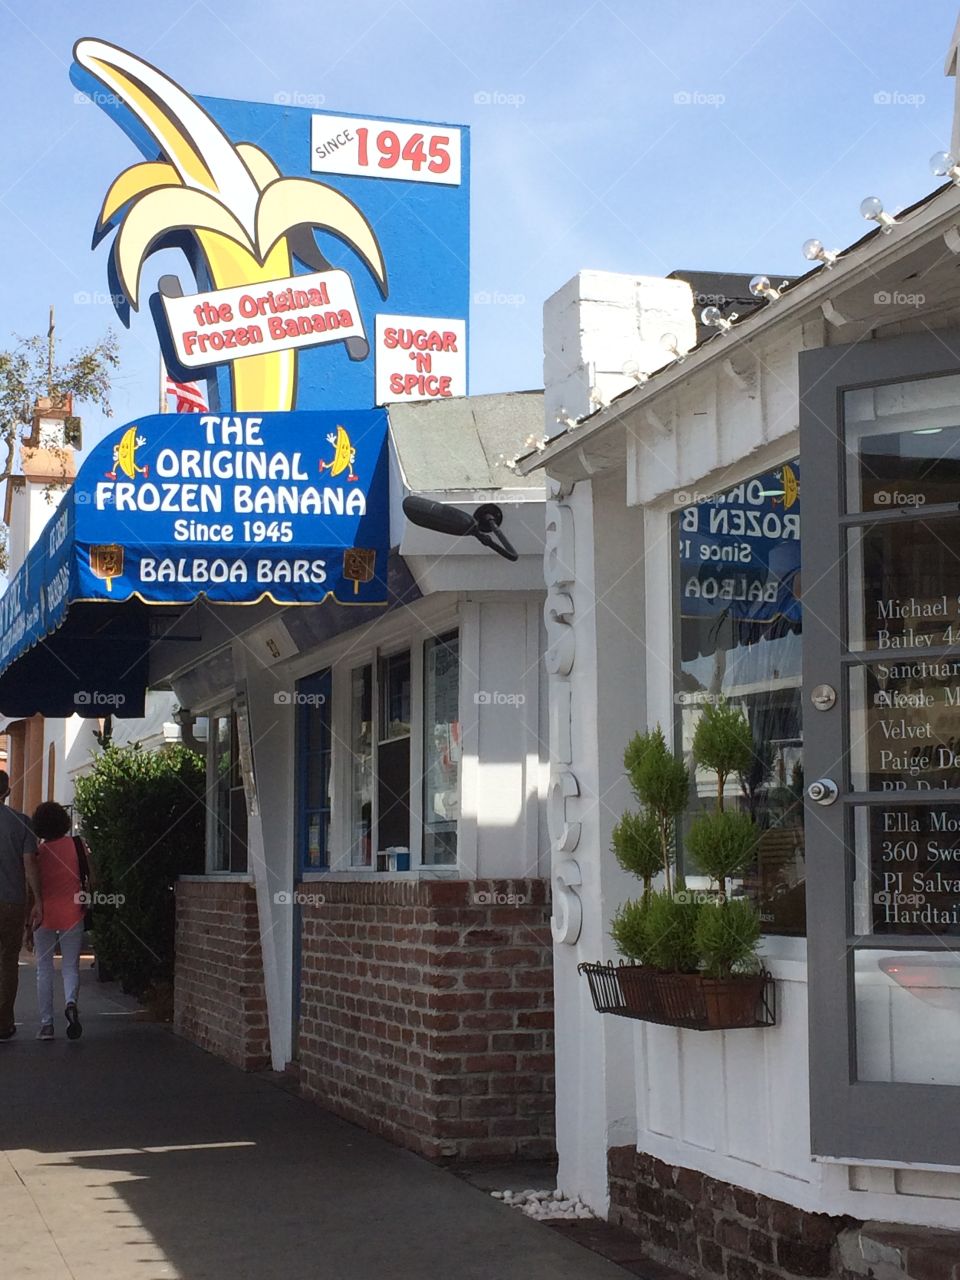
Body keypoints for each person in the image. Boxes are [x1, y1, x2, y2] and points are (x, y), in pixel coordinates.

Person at [29, 802, 90, 1041]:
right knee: (70, 967)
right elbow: (92, 875)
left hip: (42, 913)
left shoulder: (37, 852)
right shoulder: (77, 845)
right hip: (73, 912)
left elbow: (31, 883)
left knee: (43, 969)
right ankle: (71, 1002)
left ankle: (46, 1024)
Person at [0, 771, 40, 1039]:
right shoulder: (22, 822)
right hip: (12, 901)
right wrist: (39, 900)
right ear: (7, 791)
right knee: (7, 962)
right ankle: (3, 1023)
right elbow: (29, 866)